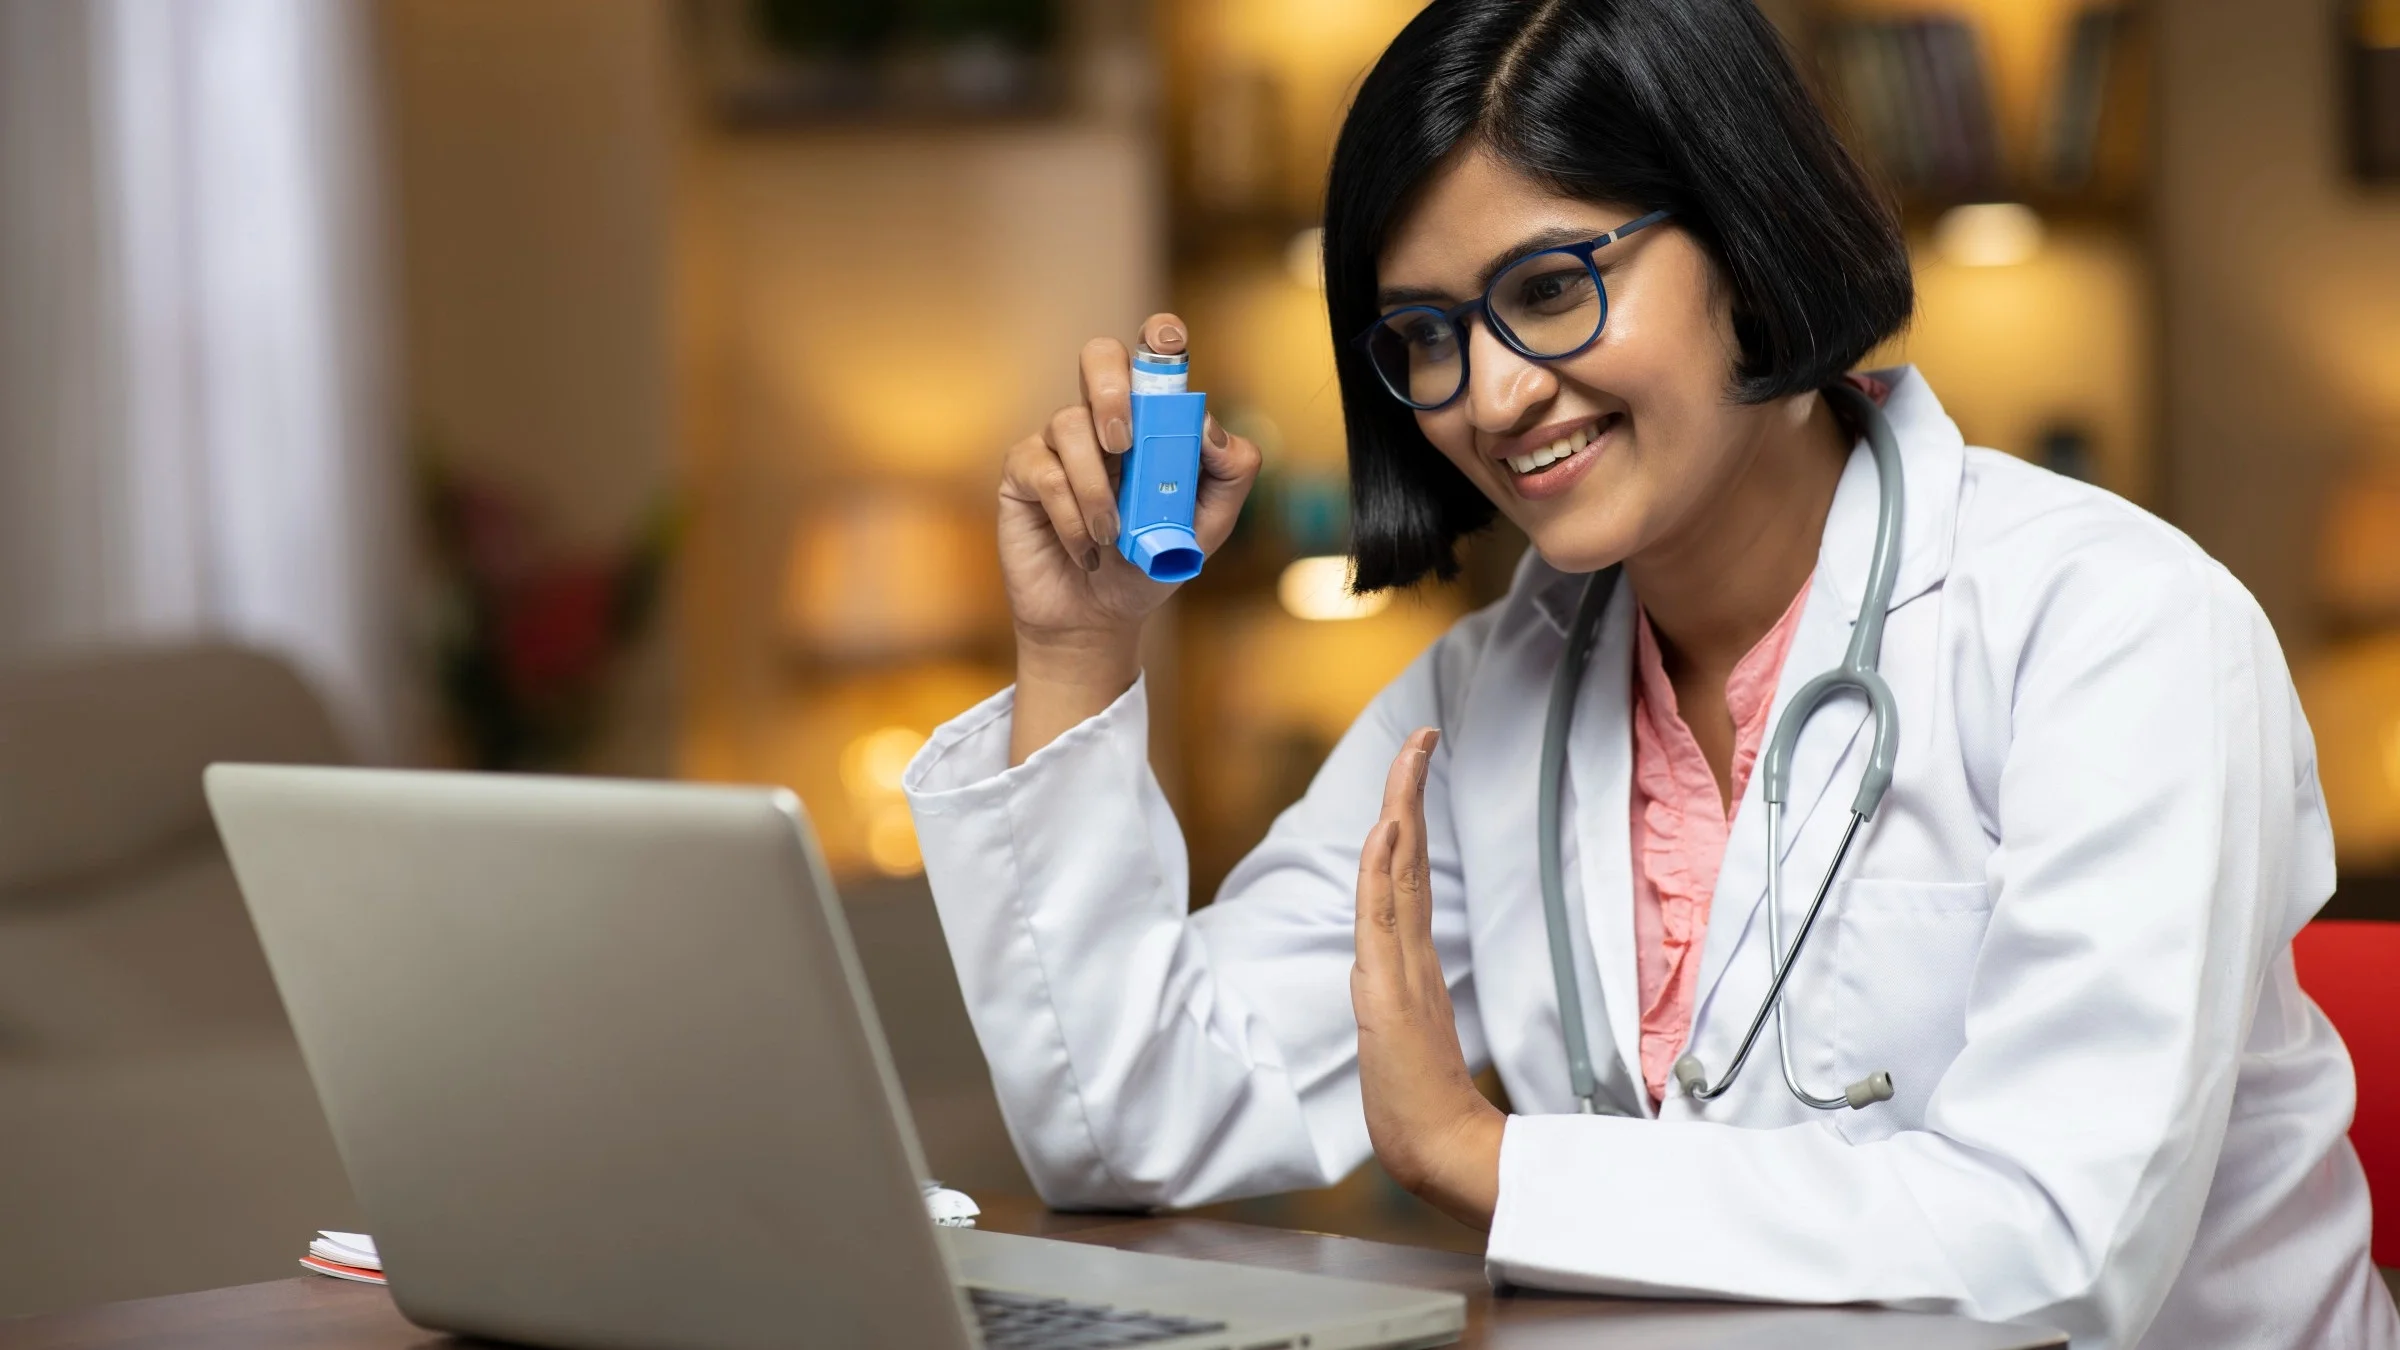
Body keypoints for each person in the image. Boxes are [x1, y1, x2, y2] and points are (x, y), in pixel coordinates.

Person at [900, 2, 2399, 1346]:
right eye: (1425, 336)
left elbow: (2055, 1252)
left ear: (1744, 233)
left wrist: (1489, 1161)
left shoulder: (2117, 627)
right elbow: (1135, 1125)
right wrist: (1079, 644)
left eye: (1549, 287)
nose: (1489, 396)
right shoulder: (1487, 702)